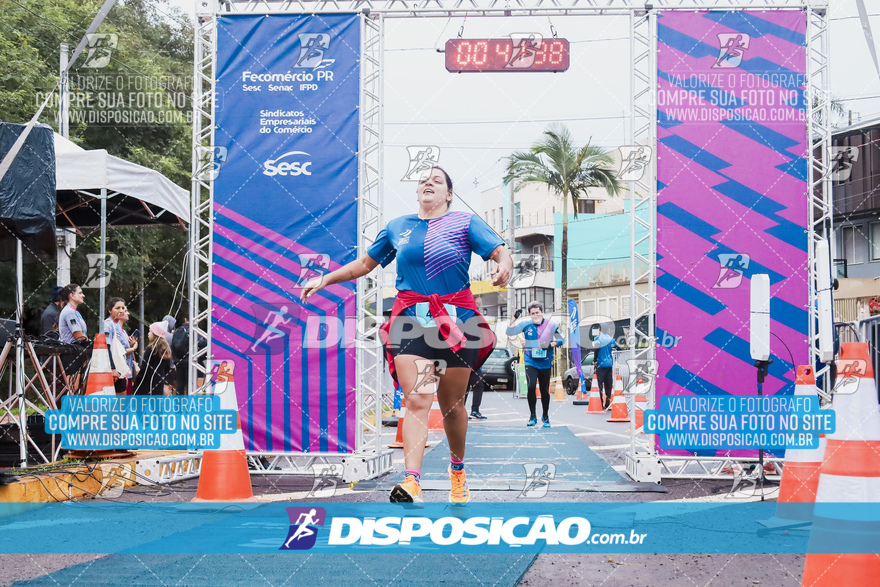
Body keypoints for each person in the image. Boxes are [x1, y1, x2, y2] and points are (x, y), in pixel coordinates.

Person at [301, 167, 512, 504]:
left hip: (457, 321)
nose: (428, 183)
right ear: (417, 192)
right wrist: (325, 279)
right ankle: (412, 480)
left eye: (437, 181)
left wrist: (504, 264)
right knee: (416, 398)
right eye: (423, 181)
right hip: (411, 320)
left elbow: (500, 251)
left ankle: (457, 471)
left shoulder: (465, 222)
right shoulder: (398, 227)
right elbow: (364, 265)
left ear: (448, 195)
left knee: (453, 408)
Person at [506, 301, 565, 428]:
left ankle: (545, 416)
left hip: (545, 362)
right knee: (531, 386)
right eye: (532, 313)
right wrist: (514, 318)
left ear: (542, 312)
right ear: (529, 314)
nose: (535, 315)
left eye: (537, 313)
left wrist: (551, 344)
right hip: (530, 360)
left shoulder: (551, 324)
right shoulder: (525, 324)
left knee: (544, 390)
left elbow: (562, 339)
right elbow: (509, 332)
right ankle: (532, 416)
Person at [57, 284, 89, 389]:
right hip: (72, 352)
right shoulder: (69, 312)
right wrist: (93, 344)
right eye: (80, 293)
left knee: (79, 387)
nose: (83, 295)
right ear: (72, 295)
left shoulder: (73, 311)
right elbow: (78, 335)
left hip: (77, 351)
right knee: (74, 389)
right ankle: (70, 406)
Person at [103, 298, 138, 395]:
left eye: (123, 308)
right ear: (110, 310)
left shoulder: (116, 325)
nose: (121, 311)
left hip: (121, 367)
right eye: (117, 308)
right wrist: (113, 369)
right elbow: (107, 347)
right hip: (114, 368)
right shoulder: (108, 324)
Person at [133, 322, 174, 396]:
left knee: (138, 404)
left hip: (146, 382)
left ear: (155, 334)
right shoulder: (166, 350)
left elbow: (144, 368)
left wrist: (137, 379)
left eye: (150, 331)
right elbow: (167, 367)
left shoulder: (150, 349)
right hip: (159, 381)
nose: (148, 333)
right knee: (155, 404)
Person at [593, 322, 618, 410]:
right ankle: (607, 404)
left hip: (600, 364)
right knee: (608, 384)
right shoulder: (611, 339)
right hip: (609, 364)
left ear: (599, 329)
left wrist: (595, 360)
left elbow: (596, 349)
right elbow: (618, 347)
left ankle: (600, 404)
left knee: (599, 384)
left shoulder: (597, 338)